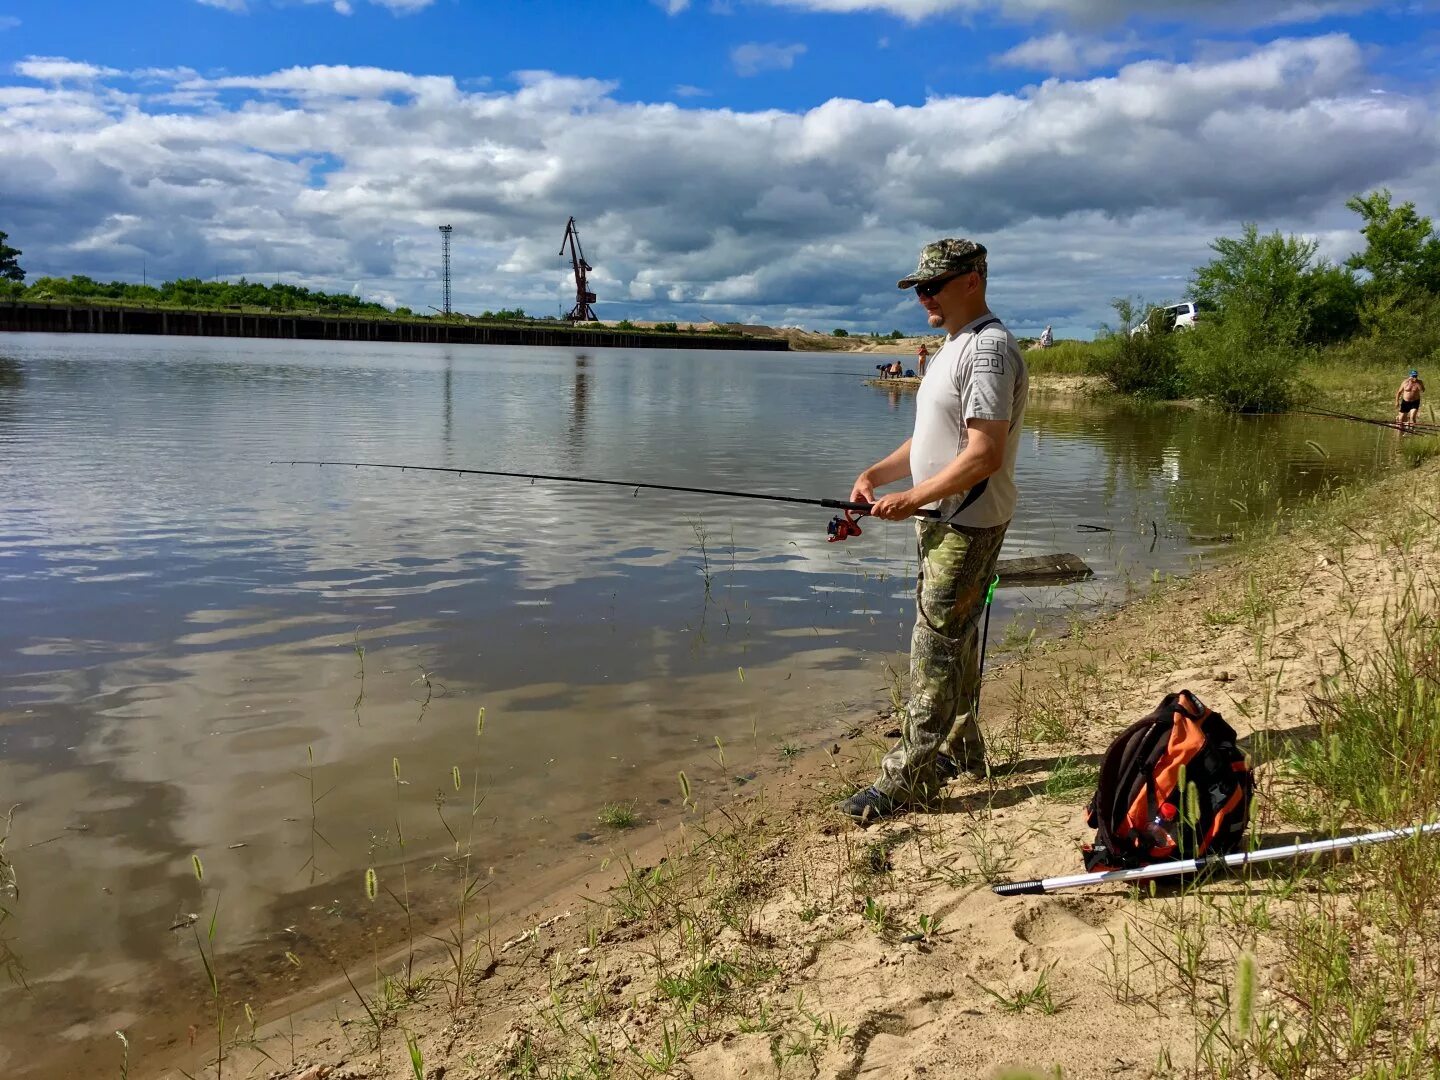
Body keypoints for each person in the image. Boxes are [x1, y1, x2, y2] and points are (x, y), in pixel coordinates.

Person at [838, 238, 1028, 825]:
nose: (923, 298)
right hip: (940, 520)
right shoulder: (952, 347)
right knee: (958, 638)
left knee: (934, 650)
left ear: (972, 279)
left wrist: (913, 498)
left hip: (965, 524)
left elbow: (983, 455)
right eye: (918, 288)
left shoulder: (990, 351)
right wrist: (877, 474)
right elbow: (929, 441)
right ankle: (965, 750)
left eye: (932, 286)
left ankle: (908, 779)